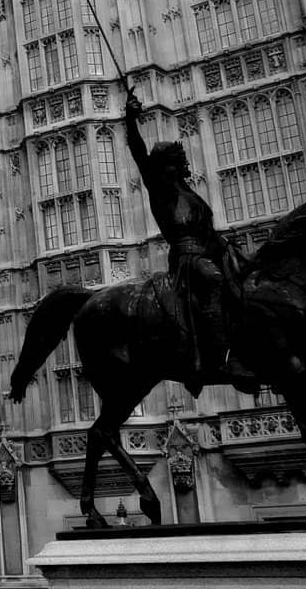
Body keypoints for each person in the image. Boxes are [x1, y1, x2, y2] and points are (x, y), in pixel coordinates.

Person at [124, 86, 236, 394]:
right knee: (213, 280)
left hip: (211, 251)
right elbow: (137, 152)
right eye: (169, 164)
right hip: (188, 259)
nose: (174, 169)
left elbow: (209, 231)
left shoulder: (190, 195)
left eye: (176, 163)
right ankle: (219, 353)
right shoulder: (161, 192)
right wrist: (130, 118)